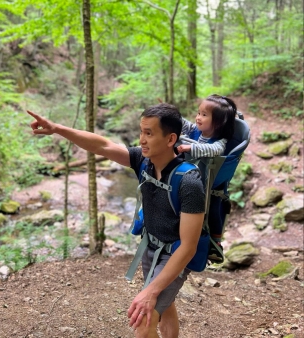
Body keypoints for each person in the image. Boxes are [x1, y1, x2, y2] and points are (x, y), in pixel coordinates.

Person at [27, 103, 205, 338]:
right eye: (141, 131)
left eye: (149, 133)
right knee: (165, 304)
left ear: (171, 139)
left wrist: (150, 290)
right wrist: (58, 128)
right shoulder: (143, 162)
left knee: (144, 319)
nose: (141, 140)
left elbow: (188, 247)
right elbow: (102, 145)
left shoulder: (189, 182)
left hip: (174, 255)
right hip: (149, 247)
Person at [176, 94, 237, 261]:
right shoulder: (196, 130)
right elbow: (185, 124)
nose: (198, 118)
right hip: (192, 178)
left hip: (211, 182)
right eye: (198, 113)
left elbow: (212, 151)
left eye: (204, 115)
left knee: (215, 209)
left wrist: (189, 148)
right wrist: (173, 116)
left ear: (218, 122)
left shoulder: (220, 141)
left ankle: (216, 242)